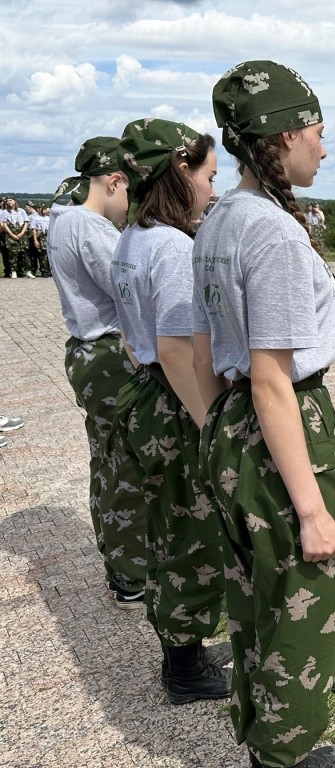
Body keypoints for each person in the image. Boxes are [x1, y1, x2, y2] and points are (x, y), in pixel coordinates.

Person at [194, 60, 335, 768]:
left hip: (229, 427)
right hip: (279, 428)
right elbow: (272, 381)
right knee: (299, 602)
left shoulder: (222, 216)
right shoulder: (275, 233)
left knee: (254, 597)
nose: (324, 146)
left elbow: (211, 350)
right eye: (318, 131)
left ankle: (266, 744)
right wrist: (313, 510)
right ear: (284, 136)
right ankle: (287, 756)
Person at [110, 118, 230, 704]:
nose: (214, 186)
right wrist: (214, 425)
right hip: (176, 403)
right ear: (181, 172)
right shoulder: (174, 247)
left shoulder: (134, 236)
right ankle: (184, 666)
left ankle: (180, 650)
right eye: (209, 173)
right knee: (191, 530)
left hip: (147, 399)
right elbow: (178, 350)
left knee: (166, 524)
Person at [47, 137, 150, 608]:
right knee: (127, 466)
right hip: (109, 356)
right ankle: (132, 574)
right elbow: (130, 290)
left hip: (87, 354)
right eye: (130, 192)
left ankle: (120, 563)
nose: (129, 207)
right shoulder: (92, 229)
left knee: (107, 460)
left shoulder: (62, 222)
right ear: (115, 181)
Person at [3, 197, 31, 278]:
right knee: (13, 253)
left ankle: (27, 270)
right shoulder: (5, 212)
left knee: (24, 252)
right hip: (11, 234)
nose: (9, 202)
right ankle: (13, 270)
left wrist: (22, 233)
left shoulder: (21, 211)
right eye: (7, 201)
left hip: (21, 233)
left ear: (15, 201)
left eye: (10, 200)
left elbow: (26, 222)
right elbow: (4, 224)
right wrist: (11, 234)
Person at [28, 203, 50, 277]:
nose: (44, 211)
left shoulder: (48, 218)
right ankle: (43, 270)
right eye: (42, 209)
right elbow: (34, 229)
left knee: (47, 254)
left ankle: (48, 269)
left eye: (45, 209)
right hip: (40, 236)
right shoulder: (35, 218)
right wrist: (35, 240)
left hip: (47, 237)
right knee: (42, 254)